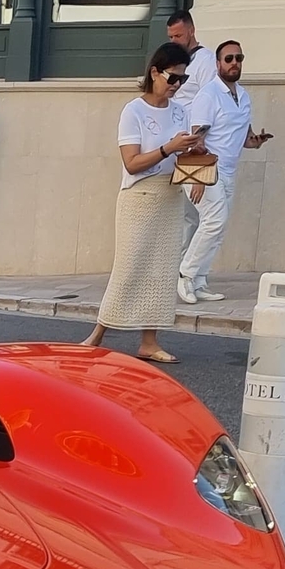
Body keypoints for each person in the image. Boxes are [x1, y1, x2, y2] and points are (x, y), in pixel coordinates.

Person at [85, 43, 203, 363]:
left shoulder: (181, 111)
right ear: (154, 72)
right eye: (172, 77)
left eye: (182, 78)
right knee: (129, 266)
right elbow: (132, 163)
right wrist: (169, 147)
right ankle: (97, 333)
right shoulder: (133, 110)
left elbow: (183, 153)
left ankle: (149, 341)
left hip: (170, 194)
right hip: (139, 196)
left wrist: (196, 166)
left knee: (162, 270)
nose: (177, 84)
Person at [175, 39, 272, 304]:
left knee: (219, 226)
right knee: (214, 220)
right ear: (218, 64)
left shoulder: (244, 97)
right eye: (228, 59)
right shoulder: (208, 95)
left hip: (228, 170)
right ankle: (185, 274)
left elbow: (243, 138)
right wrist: (198, 178)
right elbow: (197, 138)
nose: (234, 63)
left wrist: (256, 141)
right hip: (205, 168)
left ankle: (200, 280)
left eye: (238, 58)